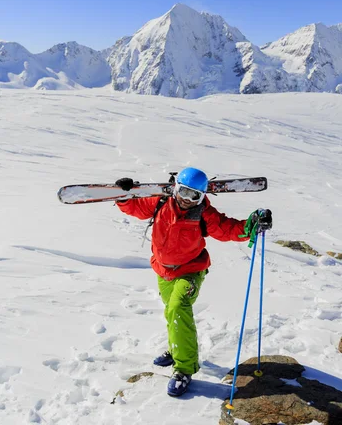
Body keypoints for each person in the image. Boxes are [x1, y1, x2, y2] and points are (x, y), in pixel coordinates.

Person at [115, 167, 272, 397]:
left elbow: (228, 229)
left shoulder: (204, 214)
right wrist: (124, 195)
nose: (188, 200)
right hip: (163, 270)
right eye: (184, 193)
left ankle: (184, 369)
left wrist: (252, 225)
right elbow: (135, 207)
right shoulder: (160, 203)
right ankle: (177, 348)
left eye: (194, 196)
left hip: (190, 271)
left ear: (202, 196)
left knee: (178, 307)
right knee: (171, 312)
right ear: (175, 189)